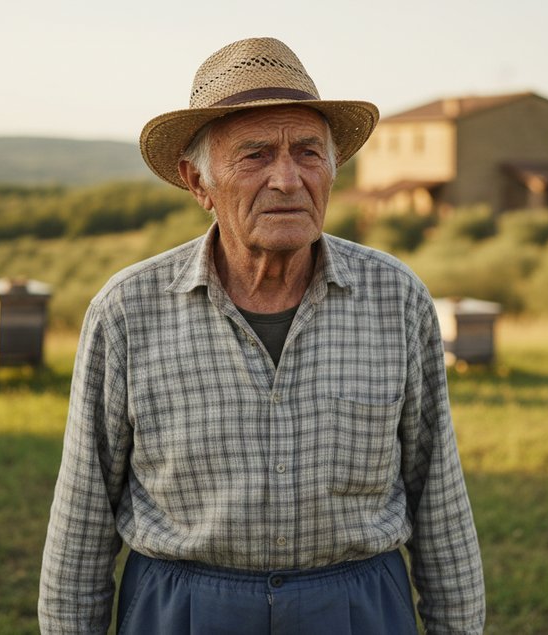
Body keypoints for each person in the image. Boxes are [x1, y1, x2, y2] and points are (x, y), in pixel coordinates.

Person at [39, 37, 484, 634]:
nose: (287, 179)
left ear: (332, 170)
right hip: (182, 611)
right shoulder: (127, 311)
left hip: (358, 609)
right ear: (198, 182)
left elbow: (440, 501)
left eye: (308, 152)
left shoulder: (396, 298)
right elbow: (82, 519)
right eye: (255, 156)